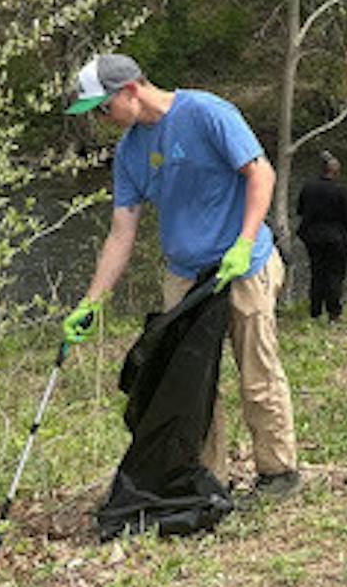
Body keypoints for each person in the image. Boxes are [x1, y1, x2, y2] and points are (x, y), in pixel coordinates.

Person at [60, 53, 300, 498]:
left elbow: (259, 174)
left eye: (102, 108)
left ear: (129, 90)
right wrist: (91, 301)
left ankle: (279, 471)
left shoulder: (207, 113)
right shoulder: (130, 152)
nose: (100, 119)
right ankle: (209, 478)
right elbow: (121, 232)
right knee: (190, 384)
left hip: (243, 266)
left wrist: (244, 242)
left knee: (257, 372)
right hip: (186, 278)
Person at [296, 150, 347, 322]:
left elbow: (300, 211)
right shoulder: (340, 191)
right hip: (335, 238)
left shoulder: (308, 187)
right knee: (335, 275)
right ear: (335, 171)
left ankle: (315, 311)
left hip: (313, 237)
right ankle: (334, 313)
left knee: (317, 273)